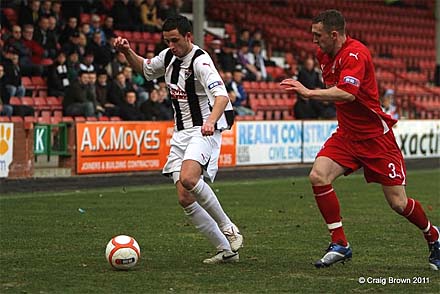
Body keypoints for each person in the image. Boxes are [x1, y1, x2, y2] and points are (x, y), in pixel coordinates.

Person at [280, 9, 439, 270]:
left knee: (398, 203)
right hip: (347, 135)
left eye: (318, 36)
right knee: (318, 176)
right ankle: (340, 243)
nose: (314, 42)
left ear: (334, 34)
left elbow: (347, 94)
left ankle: (434, 236)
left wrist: (308, 93)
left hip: (375, 138)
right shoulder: (323, 54)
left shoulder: (356, 54)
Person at [113, 15, 243, 264]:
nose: (171, 45)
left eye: (175, 40)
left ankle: (229, 228)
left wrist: (210, 122)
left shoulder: (201, 61)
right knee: (184, 197)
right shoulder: (169, 56)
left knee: (189, 178)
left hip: (204, 129)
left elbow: (222, 96)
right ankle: (226, 250)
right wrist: (128, 52)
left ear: (188, 37)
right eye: (167, 41)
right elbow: (145, 69)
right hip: (181, 133)